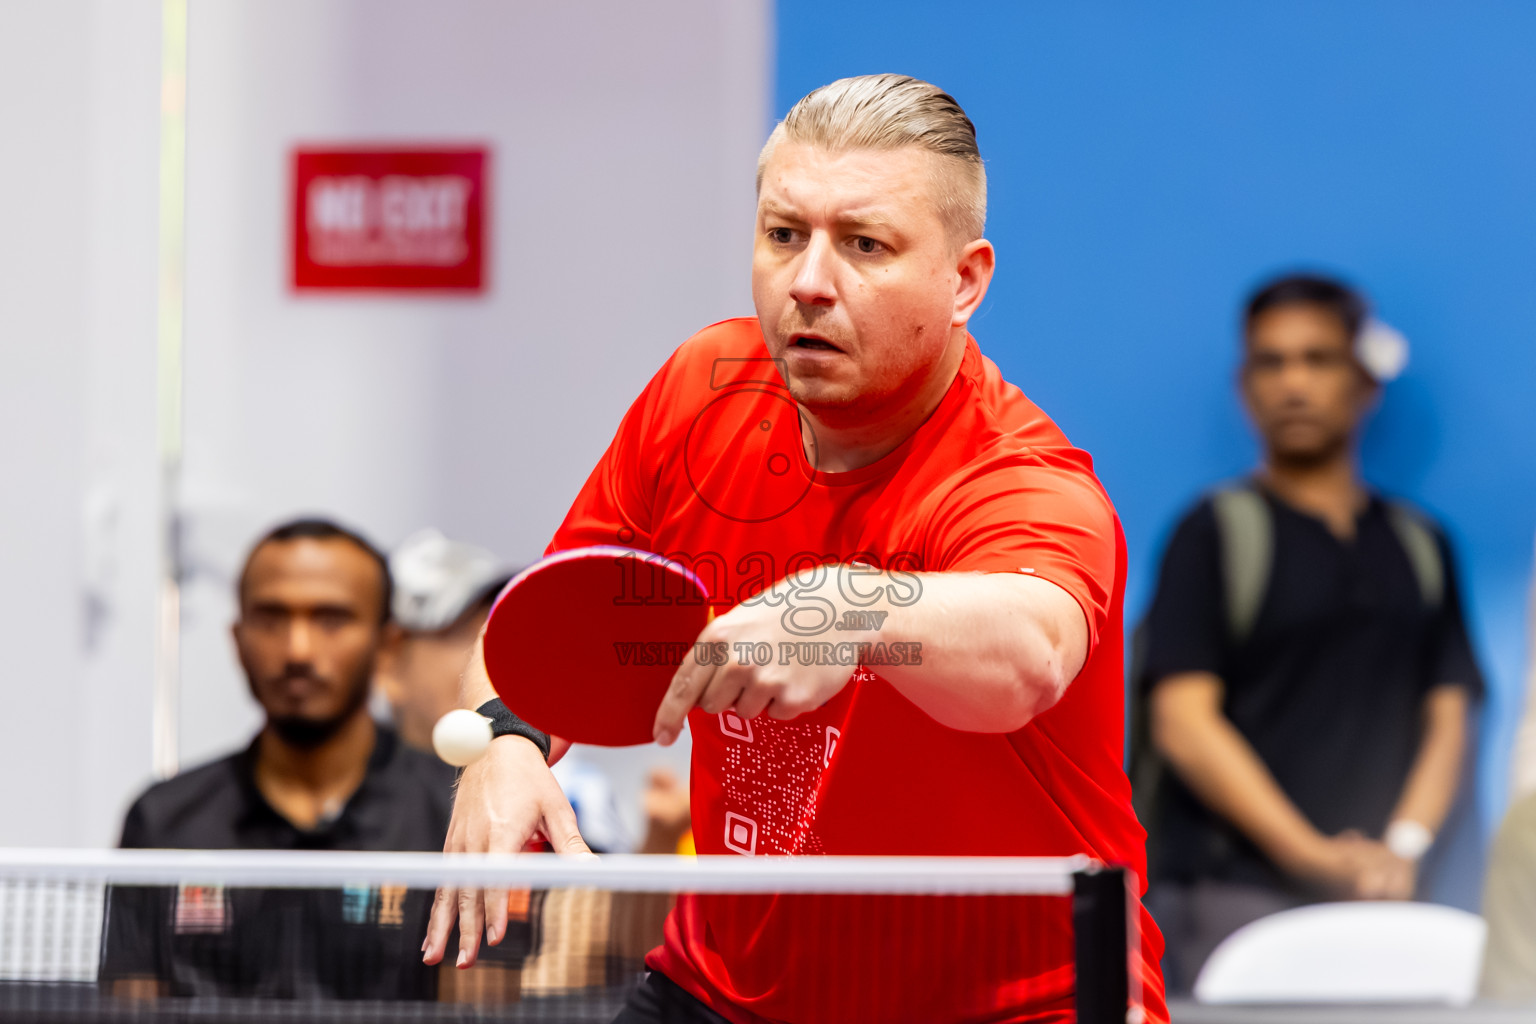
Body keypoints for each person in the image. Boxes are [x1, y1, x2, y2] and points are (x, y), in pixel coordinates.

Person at [422, 74, 1168, 1024]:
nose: (811, 281)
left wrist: (851, 609)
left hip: (1018, 1001)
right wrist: (506, 741)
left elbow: (1029, 651)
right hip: (727, 989)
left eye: (865, 245)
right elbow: (543, 626)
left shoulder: (1019, 476)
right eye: (785, 235)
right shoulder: (703, 390)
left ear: (966, 281)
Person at [1136, 274, 1483, 993]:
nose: (1294, 383)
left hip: (1389, 902)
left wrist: (1399, 850)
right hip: (1231, 901)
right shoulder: (1212, 535)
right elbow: (1184, 723)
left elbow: (1450, 713)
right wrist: (1316, 856)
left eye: (1318, 359)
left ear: (1365, 382)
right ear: (1245, 385)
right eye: (1272, 361)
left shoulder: (1421, 546)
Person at [100, 518, 530, 1000]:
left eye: (331, 619)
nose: (298, 650)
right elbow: (130, 1007)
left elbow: (482, 1009)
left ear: (387, 647)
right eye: (271, 618)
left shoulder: (455, 816)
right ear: (238, 642)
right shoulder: (162, 821)